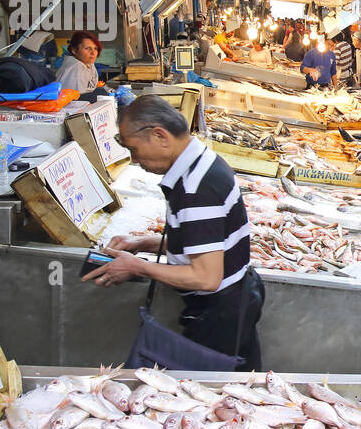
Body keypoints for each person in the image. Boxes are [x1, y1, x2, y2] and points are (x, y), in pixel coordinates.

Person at [83, 96, 263, 369]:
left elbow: (205, 277)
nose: (134, 158)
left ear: (159, 135)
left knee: (212, 398)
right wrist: (143, 242)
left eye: (134, 148)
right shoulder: (202, 161)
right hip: (236, 300)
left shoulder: (196, 187)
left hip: (221, 313)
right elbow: (206, 243)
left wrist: (138, 267)